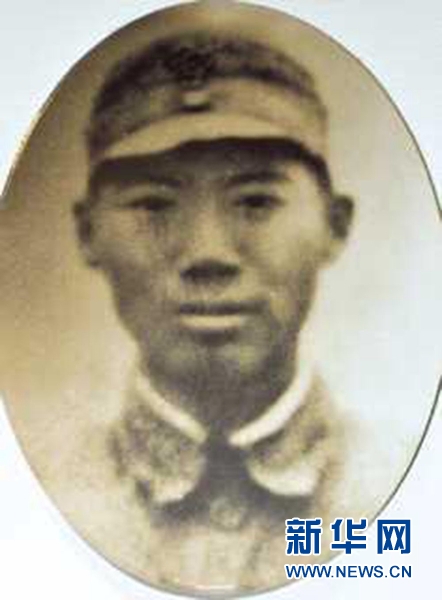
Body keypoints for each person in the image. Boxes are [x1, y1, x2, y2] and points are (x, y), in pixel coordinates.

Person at [68, 30, 362, 595]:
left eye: (256, 201)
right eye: (154, 204)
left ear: (335, 224)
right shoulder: (38, 493)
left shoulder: (406, 485)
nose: (207, 254)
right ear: (87, 233)